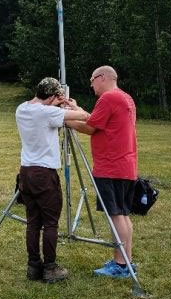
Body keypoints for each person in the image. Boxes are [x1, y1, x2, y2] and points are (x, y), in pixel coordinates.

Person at [66, 66, 138, 279]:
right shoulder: (125, 97)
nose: (91, 84)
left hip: (110, 166)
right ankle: (125, 260)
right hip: (125, 165)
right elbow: (98, 122)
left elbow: (90, 127)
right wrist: (76, 109)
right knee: (123, 215)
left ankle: (120, 265)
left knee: (115, 215)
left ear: (103, 77)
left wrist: (64, 118)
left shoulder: (108, 99)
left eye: (92, 79)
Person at [16, 77, 90, 283]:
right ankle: (50, 268)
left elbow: (41, 110)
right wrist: (71, 105)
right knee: (50, 223)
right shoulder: (48, 112)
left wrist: (53, 104)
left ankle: (33, 266)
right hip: (45, 173)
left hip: (26, 172)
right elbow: (84, 116)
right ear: (53, 96)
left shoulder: (21, 108)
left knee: (33, 221)